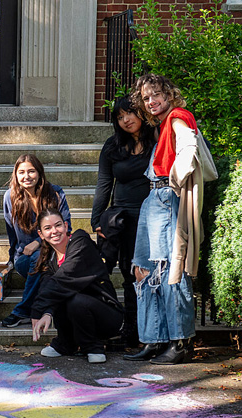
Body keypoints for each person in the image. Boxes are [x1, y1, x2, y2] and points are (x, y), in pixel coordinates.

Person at [123, 74, 205, 364]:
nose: (151, 101)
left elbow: (189, 148)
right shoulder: (162, 125)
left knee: (171, 269)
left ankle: (180, 342)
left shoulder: (178, 118)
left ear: (169, 94)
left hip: (165, 197)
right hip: (152, 198)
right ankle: (153, 339)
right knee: (143, 270)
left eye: (156, 94)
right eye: (146, 98)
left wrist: (175, 181)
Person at [90, 96, 157, 347]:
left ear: (141, 114)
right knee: (127, 274)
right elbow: (104, 183)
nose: (125, 120)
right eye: (119, 116)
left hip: (150, 217)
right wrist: (97, 219)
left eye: (129, 113)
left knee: (145, 274)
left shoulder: (157, 141)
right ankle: (130, 331)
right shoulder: (112, 146)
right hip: (120, 219)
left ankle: (147, 331)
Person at [30, 208, 124, 363]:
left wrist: (37, 309)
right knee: (60, 294)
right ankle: (66, 344)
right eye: (47, 228)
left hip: (107, 316)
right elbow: (49, 286)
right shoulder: (51, 258)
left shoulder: (80, 242)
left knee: (74, 299)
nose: (54, 231)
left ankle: (93, 347)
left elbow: (64, 278)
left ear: (66, 226)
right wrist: (46, 312)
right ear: (41, 235)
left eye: (58, 225)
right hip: (79, 317)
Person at [0, 154, 71, 328]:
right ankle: (34, 309)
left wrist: (39, 242)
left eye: (31, 171)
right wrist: (11, 261)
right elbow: (11, 235)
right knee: (38, 258)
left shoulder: (55, 193)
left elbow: (65, 230)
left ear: (39, 173)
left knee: (42, 256)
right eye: (21, 172)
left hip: (55, 257)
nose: (26, 176)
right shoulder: (10, 197)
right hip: (24, 259)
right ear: (15, 175)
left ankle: (24, 310)